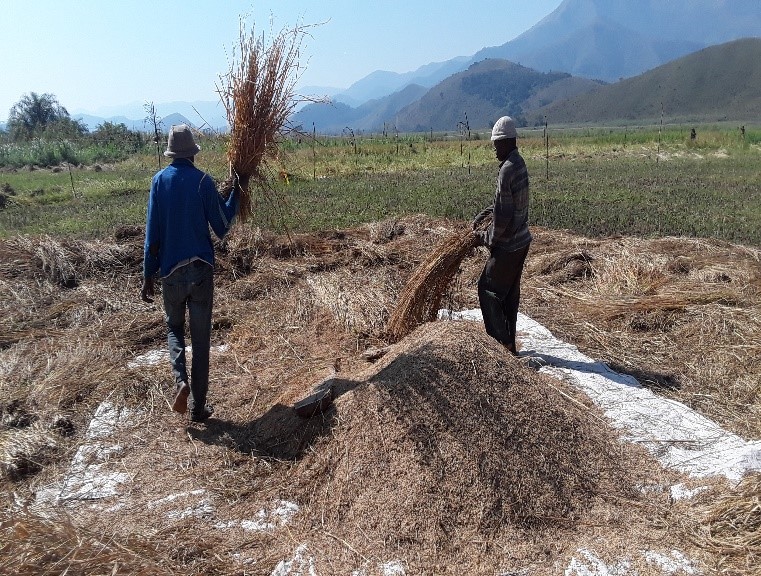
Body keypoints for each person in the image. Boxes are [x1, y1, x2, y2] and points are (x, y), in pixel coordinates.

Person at [140, 124, 240, 422]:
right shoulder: (203, 182)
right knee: (200, 339)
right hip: (201, 271)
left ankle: (180, 381)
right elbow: (222, 226)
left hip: (170, 271)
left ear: (171, 153)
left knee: (173, 328)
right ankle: (198, 408)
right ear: (193, 152)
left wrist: (148, 274)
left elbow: (152, 235)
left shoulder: (159, 182)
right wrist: (237, 189)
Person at [471, 116, 532, 356]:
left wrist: (485, 237)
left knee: (487, 289)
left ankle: (502, 346)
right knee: (508, 295)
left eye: (497, 144)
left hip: (509, 245)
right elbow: (505, 204)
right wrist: (485, 214)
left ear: (508, 142)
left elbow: (504, 217)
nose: (494, 148)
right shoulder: (519, 162)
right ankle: (510, 346)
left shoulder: (507, 170)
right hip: (522, 242)